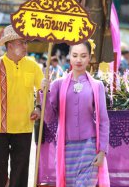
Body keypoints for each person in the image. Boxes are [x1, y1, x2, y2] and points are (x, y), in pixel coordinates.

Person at [0, 25, 44, 187]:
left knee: (20, 169)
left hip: (24, 126)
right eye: (21, 43)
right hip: (0, 125)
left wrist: (38, 108)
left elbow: (42, 92)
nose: (25, 46)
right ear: (10, 46)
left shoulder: (33, 65)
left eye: (25, 42)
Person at [41, 41, 110, 187]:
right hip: (66, 148)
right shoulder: (57, 84)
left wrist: (102, 151)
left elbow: (103, 120)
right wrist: (44, 94)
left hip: (89, 147)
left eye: (83, 56)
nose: (79, 60)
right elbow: (49, 118)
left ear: (89, 58)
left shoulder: (97, 86)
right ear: (69, 58)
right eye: (75, 55)